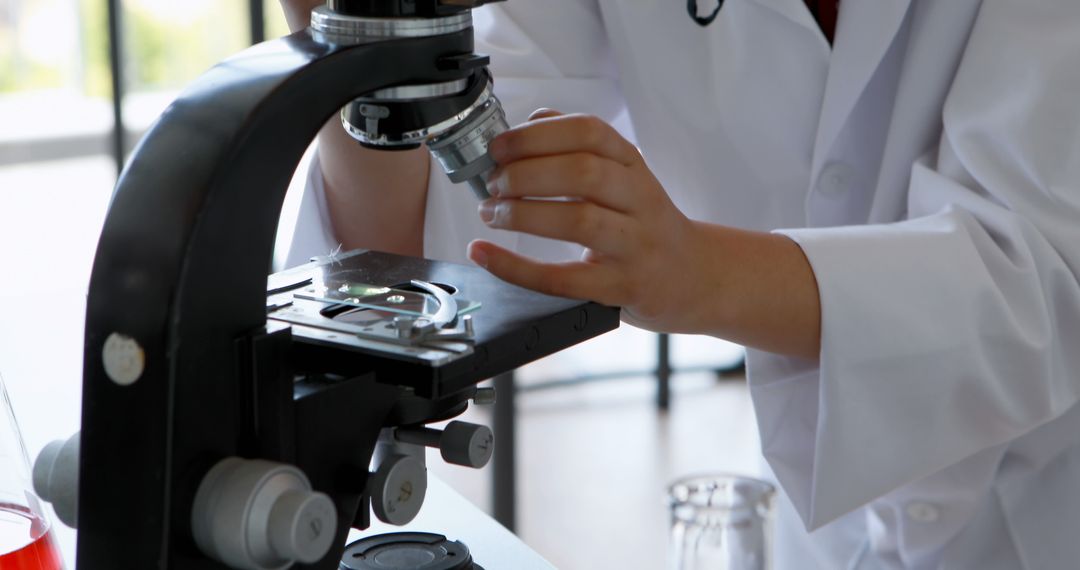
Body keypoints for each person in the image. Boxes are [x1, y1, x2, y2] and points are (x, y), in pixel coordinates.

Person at [278, 1, 1080, 568]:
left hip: (1049, 509)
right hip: (828, 530)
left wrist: (701, 274)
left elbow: (1039, 281)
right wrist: (352, 41)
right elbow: (410, 250)